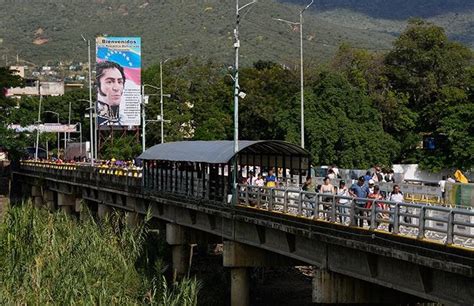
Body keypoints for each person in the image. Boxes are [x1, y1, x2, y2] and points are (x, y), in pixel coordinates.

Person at [96, 61, 126, 126]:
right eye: (109, 82)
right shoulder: (96, 119)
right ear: (98, 86)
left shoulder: (126, 119)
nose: (116, 88)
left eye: (120, 82)